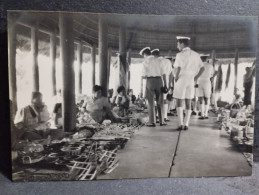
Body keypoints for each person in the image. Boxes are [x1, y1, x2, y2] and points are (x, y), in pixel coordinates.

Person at [173, 36, 205, 130]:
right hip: (191, 79)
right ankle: (186, 124)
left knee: (179, 100)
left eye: (178, 44)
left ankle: (180, 124)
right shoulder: (196, 54)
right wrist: (195, 78)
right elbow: (202, 68)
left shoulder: (179, 55)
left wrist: (176, 78)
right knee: (188, 101)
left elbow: (178, 68)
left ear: (182, 44)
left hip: (182, 78)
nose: (177, 45)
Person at [140, 47, 168, 127]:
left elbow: (143, 76)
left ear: (145, 54)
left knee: (150, 102)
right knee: (160, 102)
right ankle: (162, 121)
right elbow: (164, 74)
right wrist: (165, 85)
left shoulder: (145, 61)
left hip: (150, 81)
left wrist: (142, 88)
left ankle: (152, 122)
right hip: (159, 81)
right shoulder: (159, 60)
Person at [197, 54, 217, 120]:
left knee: (200, 99)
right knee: (207, 98)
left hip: (199, 82)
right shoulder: (210, 66)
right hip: (207, 82)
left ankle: (202, 114)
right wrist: (213, 77)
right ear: (206, 59)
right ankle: (206, 114)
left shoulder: (198, 66)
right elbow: (212, 75)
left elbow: (195, 75)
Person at [159, 55, 173, 122]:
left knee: (158, 99)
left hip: (158, 80)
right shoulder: (168, 62)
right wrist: (169, 84)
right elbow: (171, 74)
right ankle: (165, 116)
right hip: (166, 81)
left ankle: (158, 116)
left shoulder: (159, 61)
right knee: (165, 99)